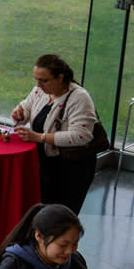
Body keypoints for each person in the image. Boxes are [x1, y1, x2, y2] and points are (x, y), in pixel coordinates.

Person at [8, 53, 100, 213]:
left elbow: (81, 136)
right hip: (45, 163)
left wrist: (40, 137)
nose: (38, 85)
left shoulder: (80, 98)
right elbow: (27, 106)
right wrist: (20, 114)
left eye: (44, 80)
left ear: (60, 78)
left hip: (71, 168)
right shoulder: (40, 91)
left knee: (59, 214)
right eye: (36, 79)